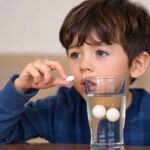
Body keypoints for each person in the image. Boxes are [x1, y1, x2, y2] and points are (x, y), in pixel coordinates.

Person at [0, 0, 150, 146]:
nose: (83, 65)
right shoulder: (60, 108)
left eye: (101, 52)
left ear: (137, 65)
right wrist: (19, 89)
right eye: (75, 55)